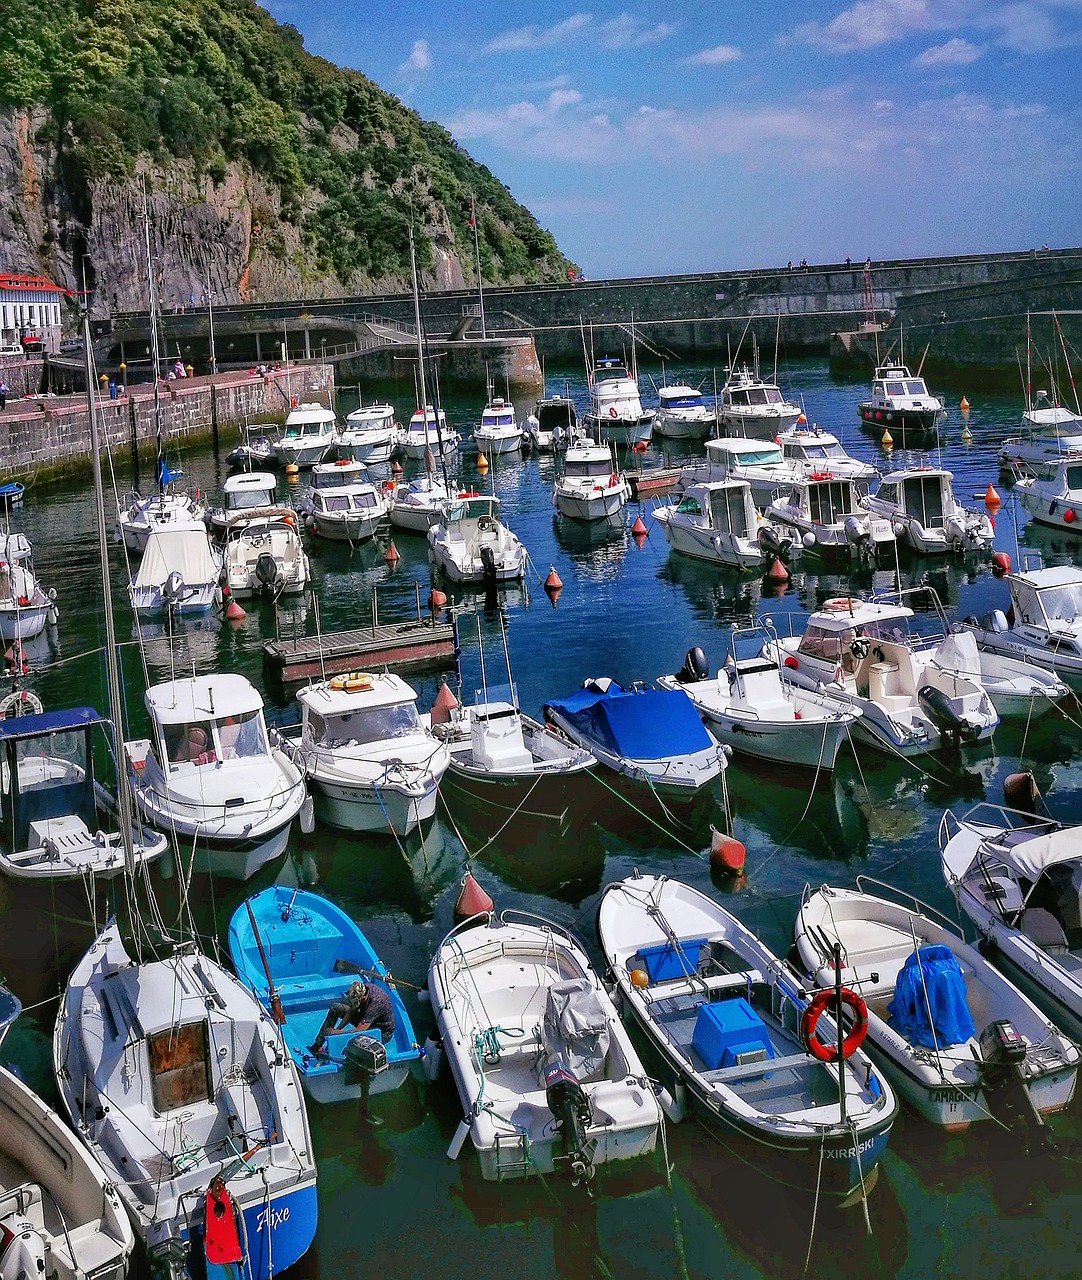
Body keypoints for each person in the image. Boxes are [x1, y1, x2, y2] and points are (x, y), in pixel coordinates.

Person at [309, 980, 395, 1055]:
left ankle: (336, 1050)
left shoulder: (375, 1004)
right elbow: (352, 1010)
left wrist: (336, 1033)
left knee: (354, 1037)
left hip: (381, 1033)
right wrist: (338, 1029)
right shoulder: (365, 989)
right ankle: (318, 1044)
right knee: (336, 1008)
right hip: (365, 1019)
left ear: (363, 997)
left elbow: (358, 1031)